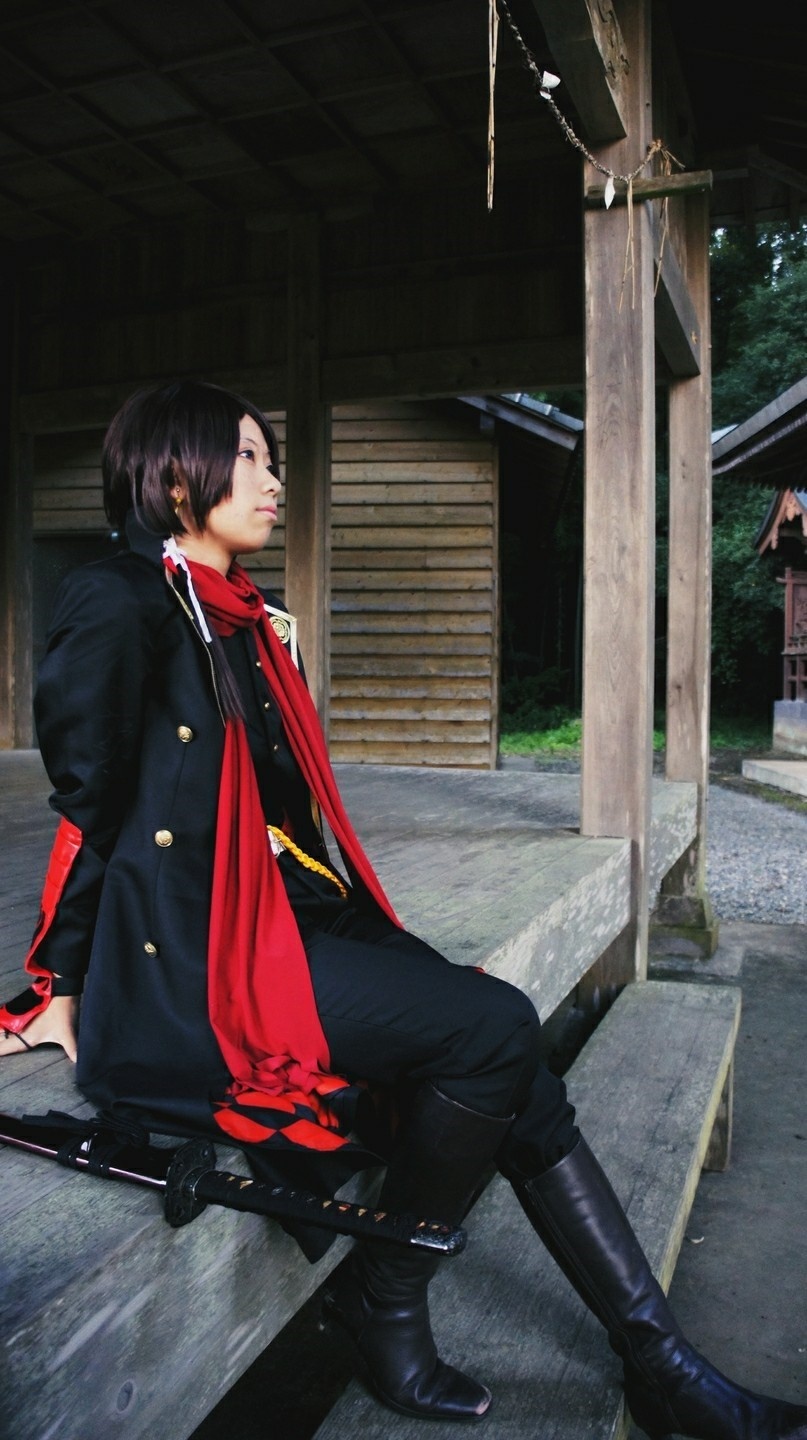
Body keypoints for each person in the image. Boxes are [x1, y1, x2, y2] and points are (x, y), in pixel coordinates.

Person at [0, 378, 804, 1440]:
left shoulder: (241, 616)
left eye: (272, 457)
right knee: (496, 1029)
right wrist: (58, 982)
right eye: (249, 456)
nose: (273, 479)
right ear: (176, 473)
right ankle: (392, 1298)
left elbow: (277, 815)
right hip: (199, 961)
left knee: (509, 1062)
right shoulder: (119, 598)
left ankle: (659, 1363)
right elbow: (90, 808)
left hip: (291, 916)